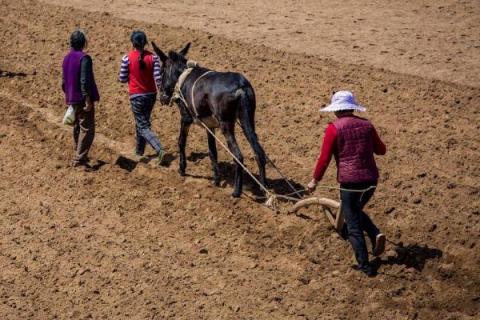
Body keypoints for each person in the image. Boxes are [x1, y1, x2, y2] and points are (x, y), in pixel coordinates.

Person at [307, 90, 386, 277]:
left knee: (353, 224)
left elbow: (324, 159)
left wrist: (314, 181)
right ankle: (375, 234)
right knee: (356, 210)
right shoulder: (367, 125)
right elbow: (381, 150)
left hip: (350, 183)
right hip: (371, 180)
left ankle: (365, 266)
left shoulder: (333, 128)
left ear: (336, 110)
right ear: (352, 108)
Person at [119, 30, 166, 165]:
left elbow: (122, 78)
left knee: (142, 125)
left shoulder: (126, 58)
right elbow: (158, 79)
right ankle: (139, 151)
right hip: (151, 95)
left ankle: (159, 149)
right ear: (145, 43)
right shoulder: (154, 58)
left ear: (132, 43)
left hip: (136, 95)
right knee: (142, 122)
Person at [62, 29, 100, 168]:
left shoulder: (66, 58)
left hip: (71, 96)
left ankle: (78, 153)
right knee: (87, 128)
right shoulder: (84, 58)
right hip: (81, 98)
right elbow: (84, 80)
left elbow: (63, 81)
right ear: (83, 43)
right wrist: (87, 99)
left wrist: (69, 95)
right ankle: (79, 159)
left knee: (78, 126)